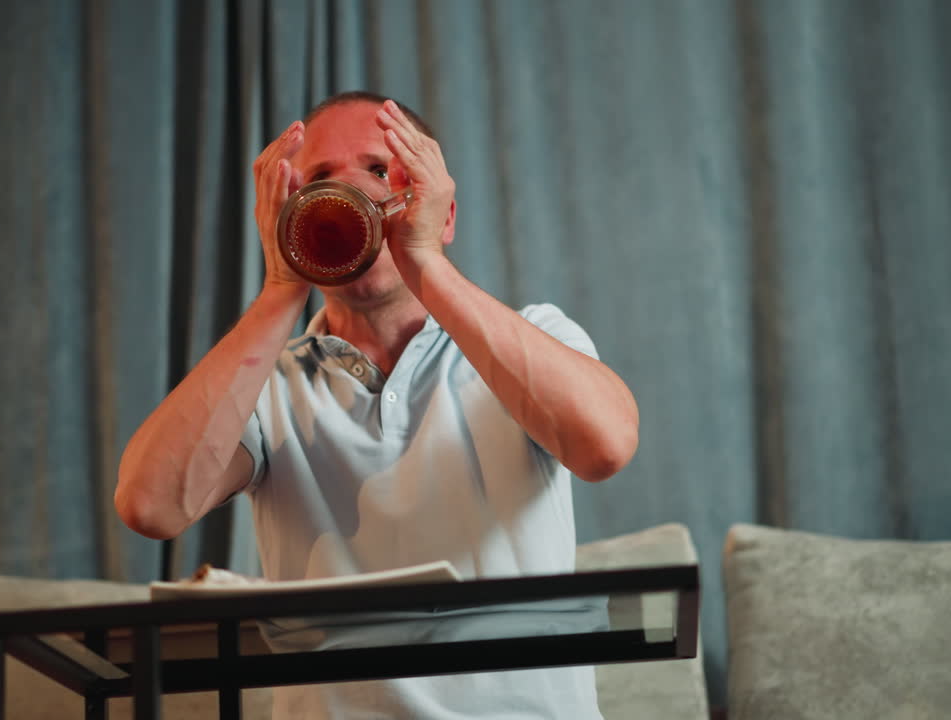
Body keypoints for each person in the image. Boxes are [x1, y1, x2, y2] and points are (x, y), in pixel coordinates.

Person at [115, 90, 640, 719]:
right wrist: (283, 290)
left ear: (441, 213)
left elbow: (605, 446)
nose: (352, 195)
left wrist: (425, 263)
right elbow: (150, 506)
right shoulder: (264, 388)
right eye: (318, 180)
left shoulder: (534, 334)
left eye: (380, 170)